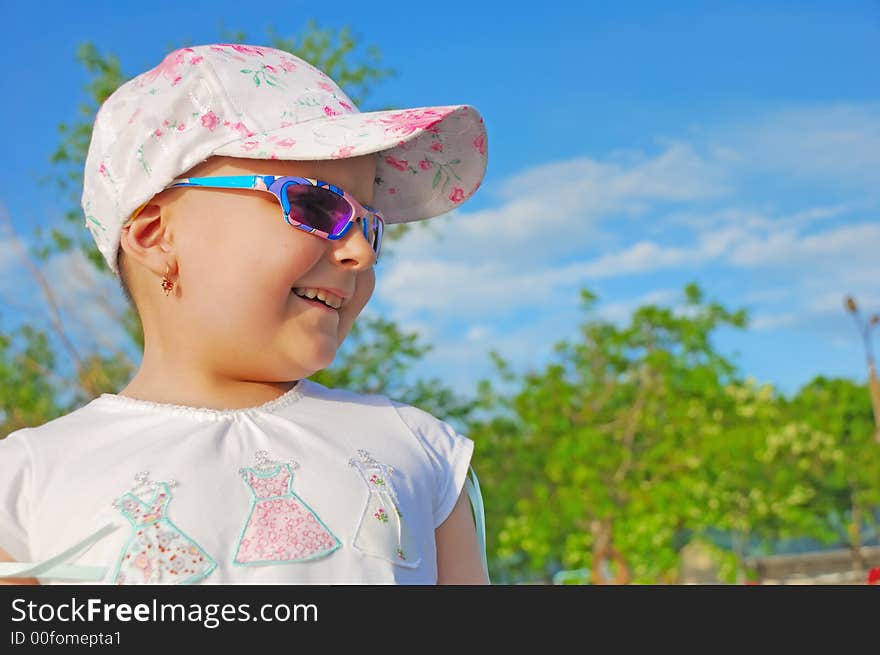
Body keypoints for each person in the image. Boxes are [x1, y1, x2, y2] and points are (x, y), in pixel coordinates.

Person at [0, 43, 489, 585]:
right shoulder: (26, 482)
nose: (362, 250)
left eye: (369, 223)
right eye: (315, 206)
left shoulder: (419, 451)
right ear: (156, 236)